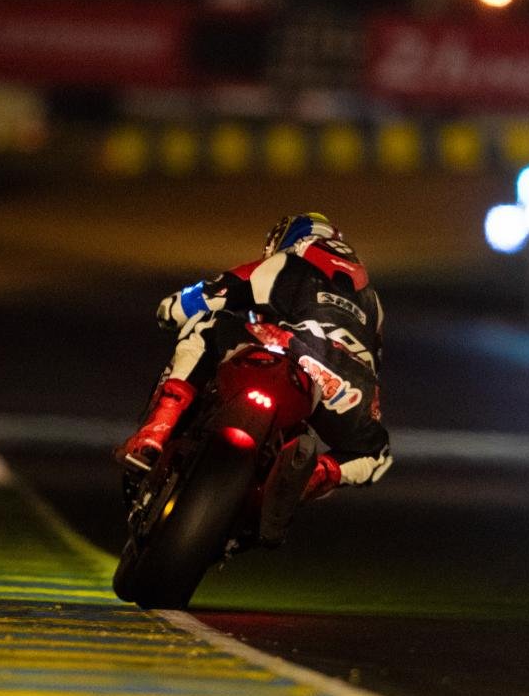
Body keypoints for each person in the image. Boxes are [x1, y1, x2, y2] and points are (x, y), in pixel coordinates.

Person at [113, 212, 392, 542]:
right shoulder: (372, 302)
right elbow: (374, 363)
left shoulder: (289, 261)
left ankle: (156, 432)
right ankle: (307, 479)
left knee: (204, 326)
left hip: (288, 346)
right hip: (346, 386)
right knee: (376, 454)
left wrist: (171, 309)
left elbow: (211, 295)